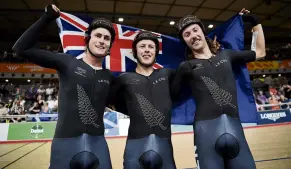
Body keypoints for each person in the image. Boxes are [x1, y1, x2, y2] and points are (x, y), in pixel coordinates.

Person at [12, 4, 115, 169]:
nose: (102, 41)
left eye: (107, 38)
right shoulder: (68, 62)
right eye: (98, 35)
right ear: (87, 39)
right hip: (65, 144)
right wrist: (46, 18)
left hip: (98, 145)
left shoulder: (109, 77)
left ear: (110, 47)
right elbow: (20, 49)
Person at [172, 8, 265, 169]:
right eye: (187, 35)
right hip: (205, 134)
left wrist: (255, 23)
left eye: (195, 30)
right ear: (185, 41)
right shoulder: (185, 67)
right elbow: (170, 96)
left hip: (236, 130)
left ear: (202, 30)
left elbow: (260, 52)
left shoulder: (226, 55)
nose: (193, 36)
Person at [108, 31, 176, 169]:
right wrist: (133, 109)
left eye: (151, 47)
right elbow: (108, 100)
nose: (146, 50)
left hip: (165, 150)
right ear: (135, 52)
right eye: (142, 46)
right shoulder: (123, 79)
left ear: (156, 52)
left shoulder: (167, 74)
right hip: (135, 149)